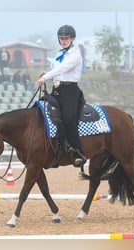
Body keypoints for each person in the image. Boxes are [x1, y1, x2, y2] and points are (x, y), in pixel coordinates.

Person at [36, 24, 86, 168]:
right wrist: (47, 74)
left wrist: (45, 78)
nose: (63, 41)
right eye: (61, 38)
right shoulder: (59, 53)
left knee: (69, 119)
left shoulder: (75, 54)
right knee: (43, 110)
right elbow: (58, 71)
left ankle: (78, 152)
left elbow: (63, 68)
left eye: (66, 38)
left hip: (70, 91)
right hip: (57, 90)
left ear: (73, 39)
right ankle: (53, 148)